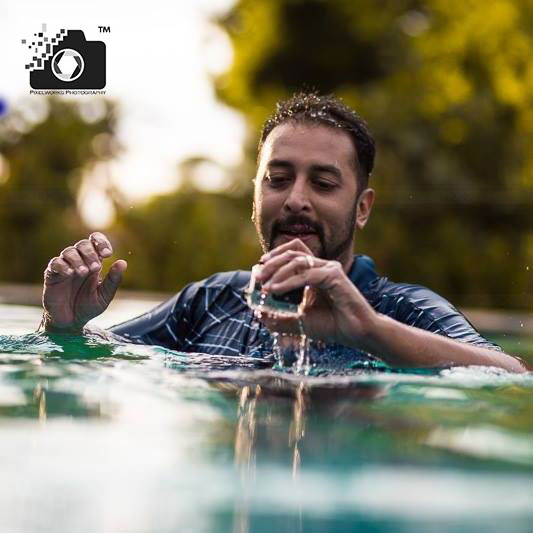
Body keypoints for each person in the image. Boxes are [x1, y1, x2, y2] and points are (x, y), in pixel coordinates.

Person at [40, 93, 525, 372]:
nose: (295, 198)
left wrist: (370, 332)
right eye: (278, 178)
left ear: (362, 208)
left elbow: (512, 377)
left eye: (323, 182)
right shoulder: (210, 300)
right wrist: (64, 326)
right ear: (256, 195)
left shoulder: (403, 310)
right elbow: (103, 356)